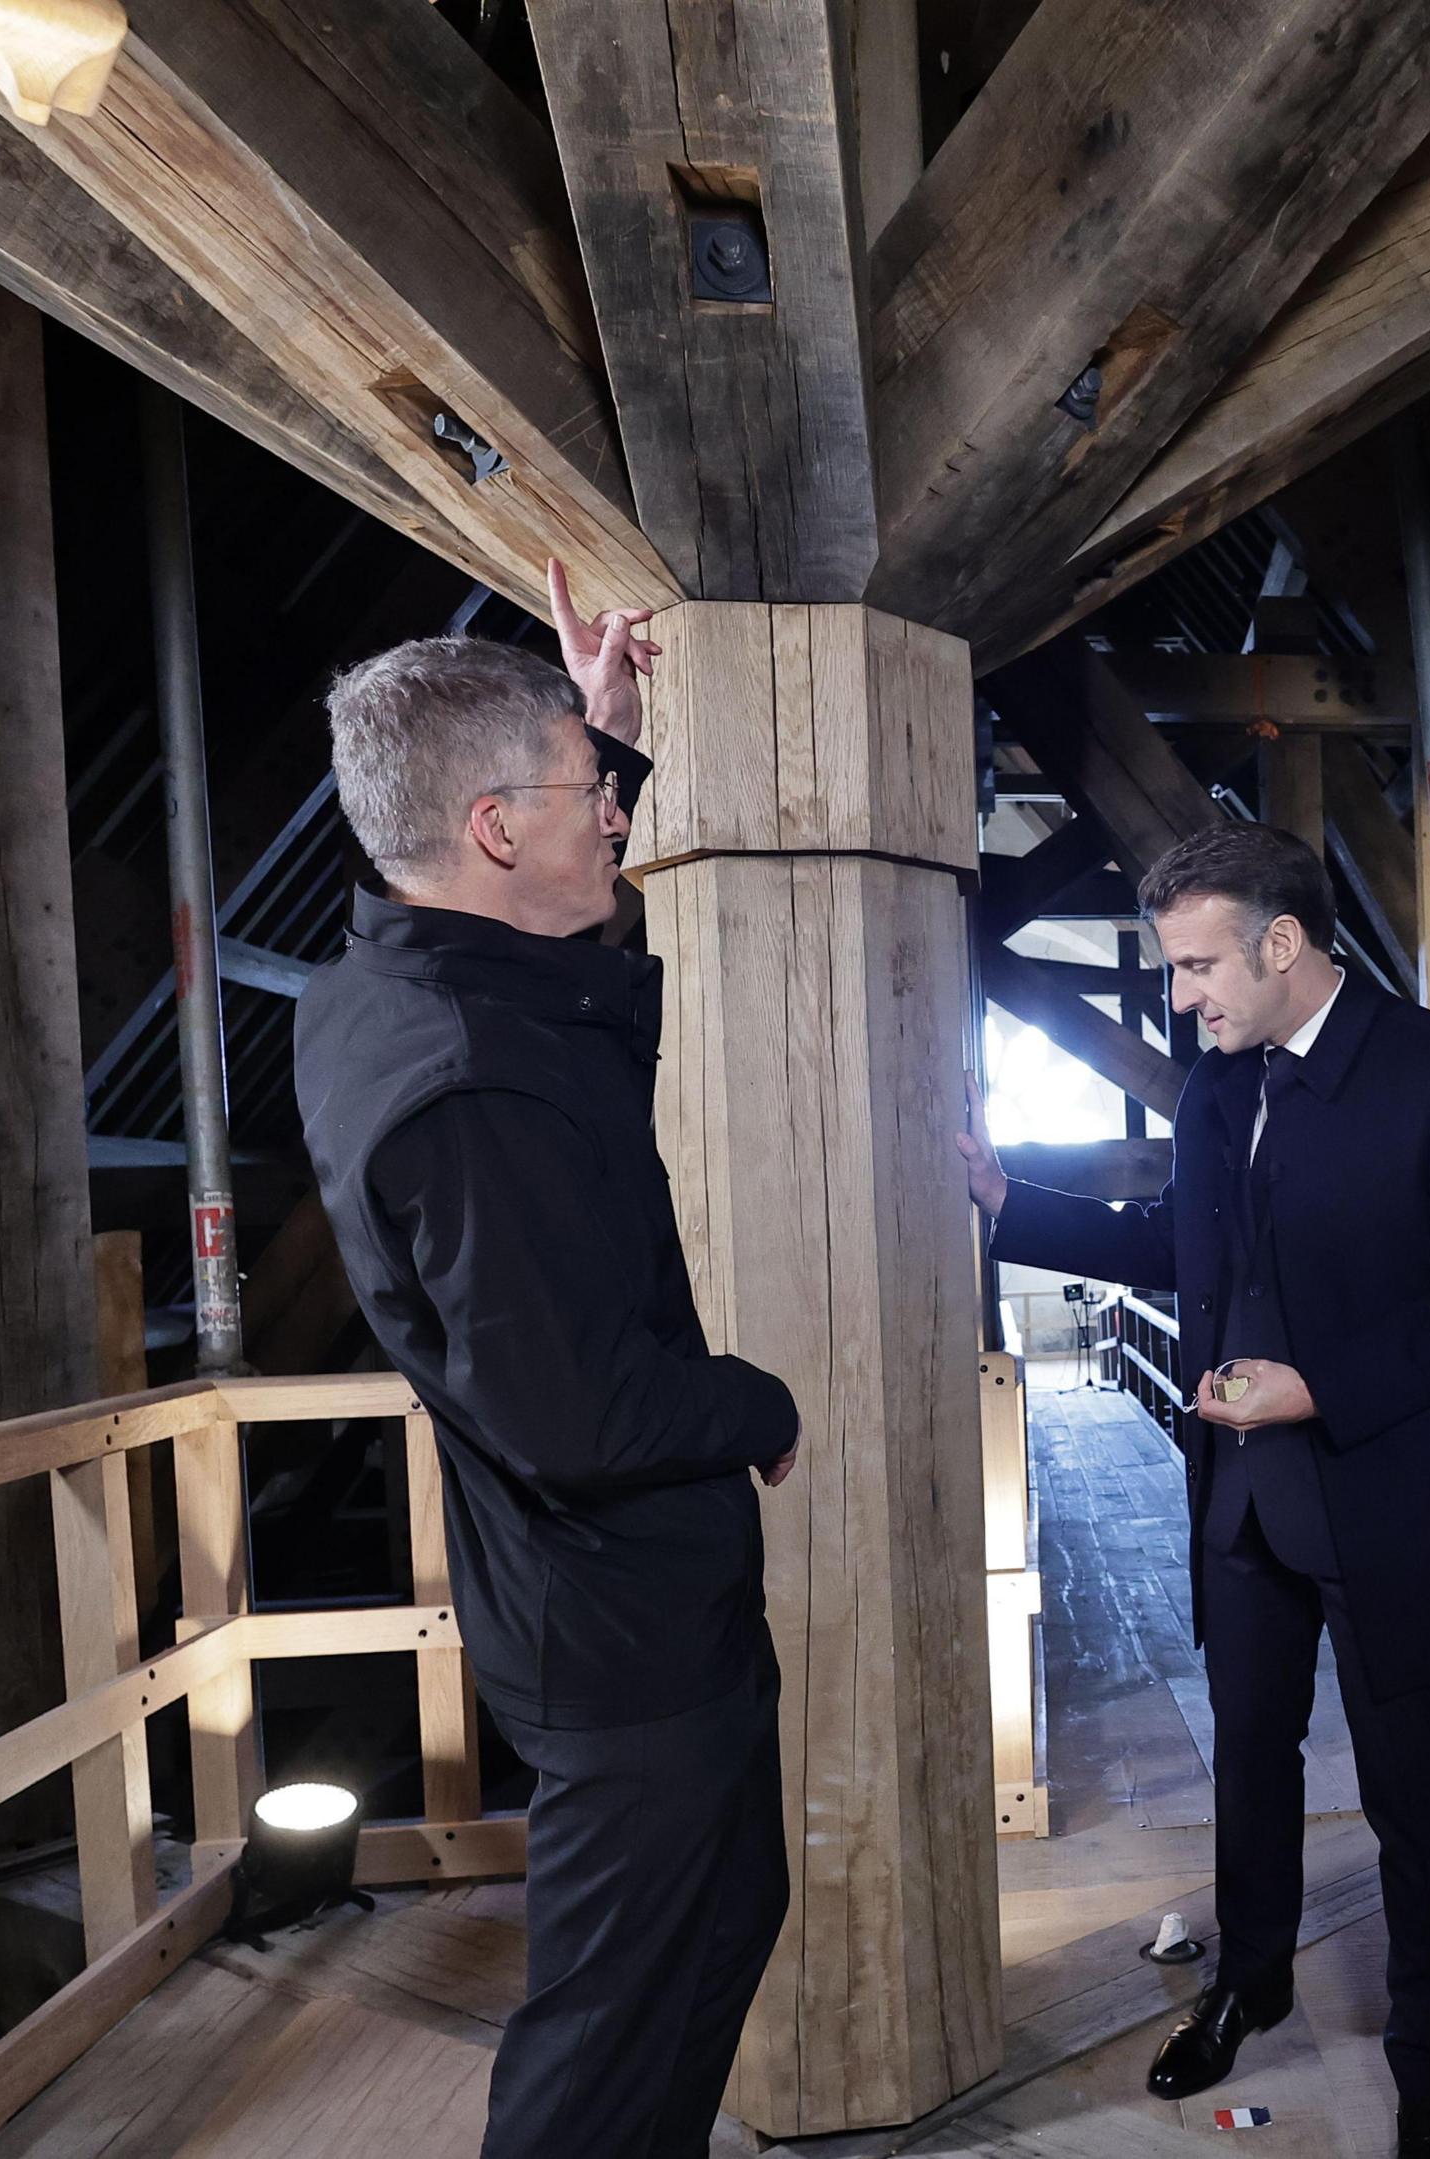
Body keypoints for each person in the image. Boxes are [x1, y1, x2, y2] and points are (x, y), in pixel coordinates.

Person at [956, 822, 1430, 2159]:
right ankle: (1250, 1981)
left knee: (1415, 1797)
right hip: (1243, 1500)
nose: (1180, 997)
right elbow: (1185, 1250)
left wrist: (1317, 1387)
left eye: (1194, 965)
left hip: (1387, 1495)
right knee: (1251, 1763)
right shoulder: (1222, 1089)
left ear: (1281, 945)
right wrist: (1014, 1202)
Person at [297, 610, 805, 2159]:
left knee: (715, 1931)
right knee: (606, 2044)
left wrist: (600, 721)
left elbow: (538, 890)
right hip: (619, 1631)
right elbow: (577, 1417)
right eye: (595, 791)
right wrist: (760, 1406)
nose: (621, 819)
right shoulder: (473, 1088)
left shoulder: (381, 986)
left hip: (618, 1611)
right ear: (495, 828)